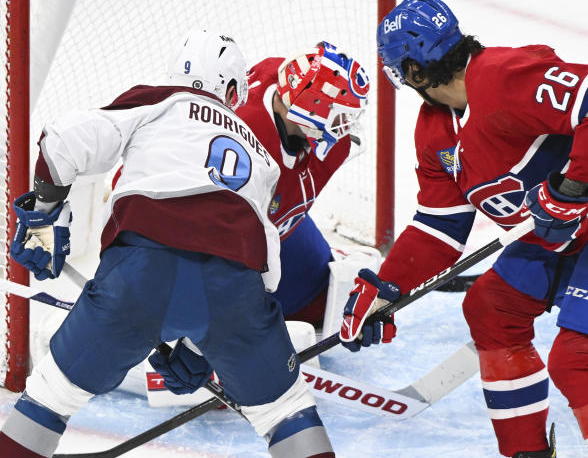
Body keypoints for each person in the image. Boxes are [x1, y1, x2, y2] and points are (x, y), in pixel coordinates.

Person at [338, 0, 588, 458]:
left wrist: (571, 189)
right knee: (491, 308)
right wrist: (386, 285)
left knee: (579, 361)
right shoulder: (435, 133)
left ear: (411, 72)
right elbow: (439, 225)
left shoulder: (501, 76)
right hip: (567, 233)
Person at [0, 30, 336, 458]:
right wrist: (202, 347)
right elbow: (267, 271)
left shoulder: (158, 100)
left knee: (50, 398)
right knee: (286, 412)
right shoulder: (263, 158)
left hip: (139, 273)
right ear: (232, 91)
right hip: (234, 288)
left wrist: (44, 217)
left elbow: (62, 142)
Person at [236, 41, 370, 326]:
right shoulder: (246, 148)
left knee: (327, 306)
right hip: (219, 240)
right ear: (312, 106)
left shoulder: (286, 79)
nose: (345, 124)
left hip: (276, 227)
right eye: (339, 114)